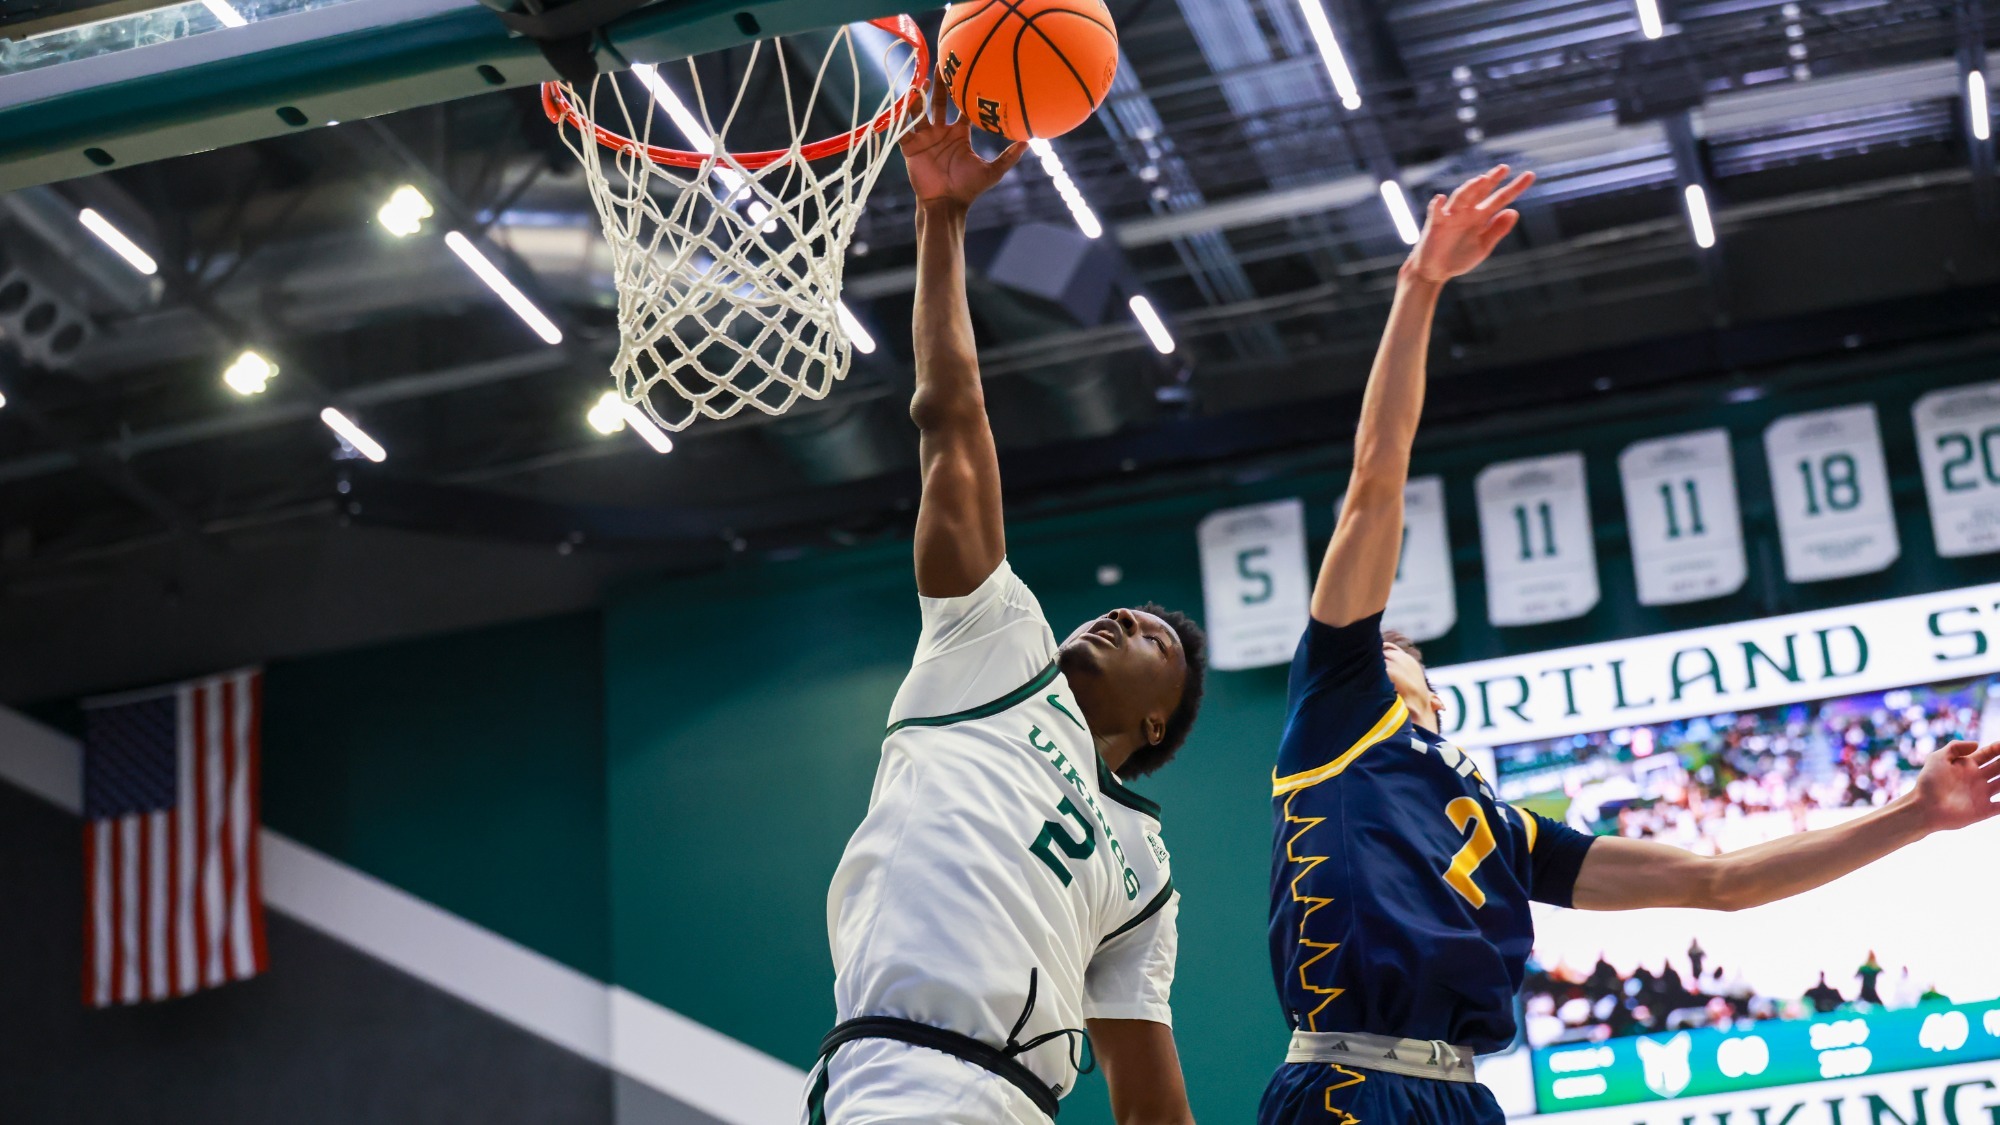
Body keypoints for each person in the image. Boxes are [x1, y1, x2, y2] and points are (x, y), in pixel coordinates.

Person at [1255, 162, 2000, 1125]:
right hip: (1351, 1081)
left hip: (1462, 1095)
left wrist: (1914, 814)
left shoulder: (1501, 829)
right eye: (1374, 640)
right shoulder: (1337, 715)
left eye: (1402, 648)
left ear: (1436, 697)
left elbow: (1721, 882)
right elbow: (1374, 485)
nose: (1380, 641)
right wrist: (1420, 286)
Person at [806, 81, 1209, 1125]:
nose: (1125, 619)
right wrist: (941, 222)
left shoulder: (1146, 870)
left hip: (1011, 1100)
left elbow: (1148, 1101)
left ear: (1157, 718)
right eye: (1130, 613)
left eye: (1155, 636)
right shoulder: (996, 648)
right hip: (885, 1073)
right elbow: (950, 420)